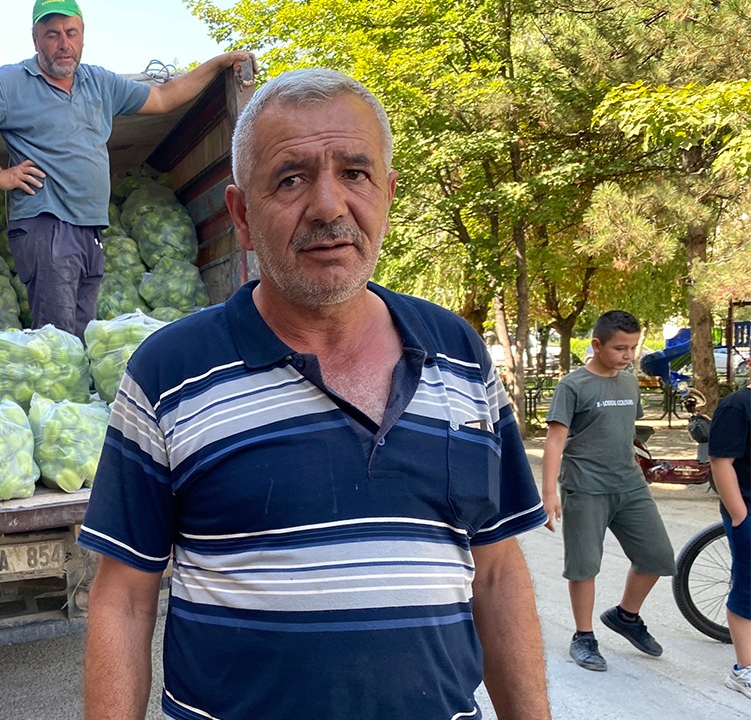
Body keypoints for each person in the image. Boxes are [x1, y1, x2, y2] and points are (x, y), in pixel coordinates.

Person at [78, 68, 551, 720]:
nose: (329, 206)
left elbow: (497, 572)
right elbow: (124, 600)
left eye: (354, 173)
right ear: (241, 215)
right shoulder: (170, 374)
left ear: (387, 194)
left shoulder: (460, 356)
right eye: (292, 178)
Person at [0, 0, 254, 339]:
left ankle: (70, 392)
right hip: (47, 225)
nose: (63, 43)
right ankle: (55, 391)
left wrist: (220, 62)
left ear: (83, 37)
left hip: (90, 228)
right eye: (52, 35)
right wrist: (0, 175)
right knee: (56, 337)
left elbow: (163, 98)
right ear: (35, 40)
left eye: (71, 33)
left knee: (80, 331)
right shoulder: (10, 82)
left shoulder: (99, 82)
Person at [541, 310, 676, 672]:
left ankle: (626, 617)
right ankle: (583, 637)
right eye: (620, 348)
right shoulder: (573, 385)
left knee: (659, 557)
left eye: (632, 348)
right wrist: (549, 492)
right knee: (584, 566)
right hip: (585, 487)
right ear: (597, 345)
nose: (628, 355)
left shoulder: (629, 382)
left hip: (630, 484)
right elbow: (555, 441)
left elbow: (624, 429)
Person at [709, 384, 750, 699]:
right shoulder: (737, 406)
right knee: (747, 590)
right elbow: (721, 463)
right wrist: (740, 516)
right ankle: (743, 670)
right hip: (747, 510)